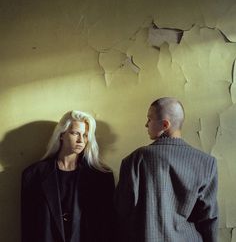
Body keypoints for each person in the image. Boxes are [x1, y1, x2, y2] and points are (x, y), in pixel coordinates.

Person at [115, 97, 218, 242]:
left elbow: (122, 212)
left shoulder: (135, 159)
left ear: (165, 124)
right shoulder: (207, 162)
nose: (146, 124)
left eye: (149, 119)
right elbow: (209, 218)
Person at [21, 110, 115, 242]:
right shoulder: (33, 175)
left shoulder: (101, 177)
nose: (81, 140)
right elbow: (28, 227)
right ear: (61, 134)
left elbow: (107, 227)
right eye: (75, 133)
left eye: (86, 135)